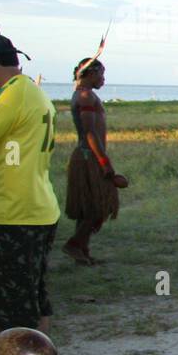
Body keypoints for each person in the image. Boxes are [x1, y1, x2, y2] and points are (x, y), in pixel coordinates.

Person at [0, 34, 59, 333]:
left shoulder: (9, 96)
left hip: (12, 216)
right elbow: (7, 162)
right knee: (33, 301)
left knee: (9, 312)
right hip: (37, 210)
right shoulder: (31, 91)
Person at [63, 56, 120, 266]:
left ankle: (82, 251)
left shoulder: (82, 94)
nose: (103, 79)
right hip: (90, 156)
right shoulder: (86, 97)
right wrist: (104, 163)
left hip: (88, 155)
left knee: (87, 206)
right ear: (90, 73)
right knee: (98, 206)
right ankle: (74, 244)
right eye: (101, 74)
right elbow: (90, 134)